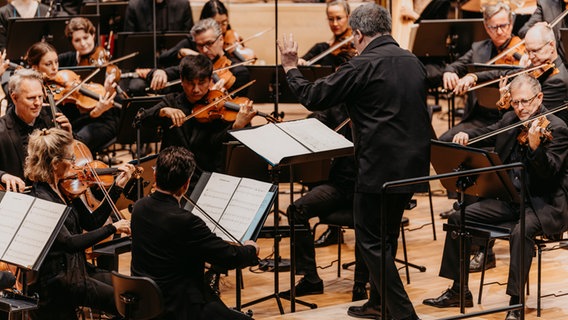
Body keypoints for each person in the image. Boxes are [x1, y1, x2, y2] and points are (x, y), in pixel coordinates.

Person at [278, 3, 430, 320]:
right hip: (412, 170)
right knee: (386, 240)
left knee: (372, 243)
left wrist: (291, 67)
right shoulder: (413, 61)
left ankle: (403, 314)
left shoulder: (362, 65)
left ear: (358, 34)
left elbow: (313, 96)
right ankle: (378, 304)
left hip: (377, 171)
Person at [423, 74, 568, 320]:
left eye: (525, 102)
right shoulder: (511, 119)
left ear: (539, 98)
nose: (520, 108)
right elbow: (487, 132)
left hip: (542, 205)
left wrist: (534, 149)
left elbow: (550, 177)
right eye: (515, 102)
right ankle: (459, 290)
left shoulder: (557, 128)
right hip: (511, 200)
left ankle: (515, 302)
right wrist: (467, 137)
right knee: (460, 217)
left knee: (520, 232)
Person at [130, 146, 259, 320]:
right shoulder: (186, 221)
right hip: (179, 307)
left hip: (146, 303)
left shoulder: (139, 207)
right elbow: (230, 257)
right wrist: (251, 249)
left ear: (155, 175)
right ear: (186, 184)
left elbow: (168, 249)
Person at [24, 127, 135, 319]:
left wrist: (117, 187)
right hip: (59, 280)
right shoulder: (43, 199)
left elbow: (92, 222)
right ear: (55, 164)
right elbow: (70, 243)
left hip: (79, 269)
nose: (75, 164)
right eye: (70, 159)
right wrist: (113, 227)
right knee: (120, 302)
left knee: (131, 292)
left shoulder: (63, 188)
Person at [281, 104, 370, 303]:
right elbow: (315, 122)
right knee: (296, 210)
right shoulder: (337, 107)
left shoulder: (373, 106)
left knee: (366, 220)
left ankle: (360, 283)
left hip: (365, 187)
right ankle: (310, 278)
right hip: (338, 186)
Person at [142, 54, 256, 185]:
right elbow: (141, 120)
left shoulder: (217, 107)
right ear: (181, 80)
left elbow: (218, 144)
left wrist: (237, 127)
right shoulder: (171, 101)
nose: (196, 89)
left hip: (206, 176)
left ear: (209, 80)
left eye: (201, 83)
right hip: (172, 176)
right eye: (190, 83)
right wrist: (162, 112)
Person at [27, 40, 118, 155]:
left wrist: (93, 113)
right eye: (48, 64)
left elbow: (70, 124)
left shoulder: (64, 84)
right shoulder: (33, 92)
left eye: (56, 62)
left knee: (75, 145)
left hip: (83, 126)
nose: (55, 68)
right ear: (35, 67)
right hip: (58, 133)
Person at [0, 68, 71, 192]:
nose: (38, 103)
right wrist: (3, 175)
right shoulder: (2, 130)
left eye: (40, 96)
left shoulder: (53, 116)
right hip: (23, 196)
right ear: (14, 98)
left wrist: (69, 135)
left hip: (58, 191)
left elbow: (73, 155)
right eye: (31, 98)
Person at [297, 0, 355, 68]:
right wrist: (299, 61)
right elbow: (302, 60)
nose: (335, 23)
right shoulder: (322, 48)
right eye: (331, 19)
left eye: (339, 18)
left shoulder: (354, 44)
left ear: (348, 17)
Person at [123, 0, 193, 33]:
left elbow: (189, 37)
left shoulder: (183, 5)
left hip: (176, 56)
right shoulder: (134, 6)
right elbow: (129, 40)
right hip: (144, 57)